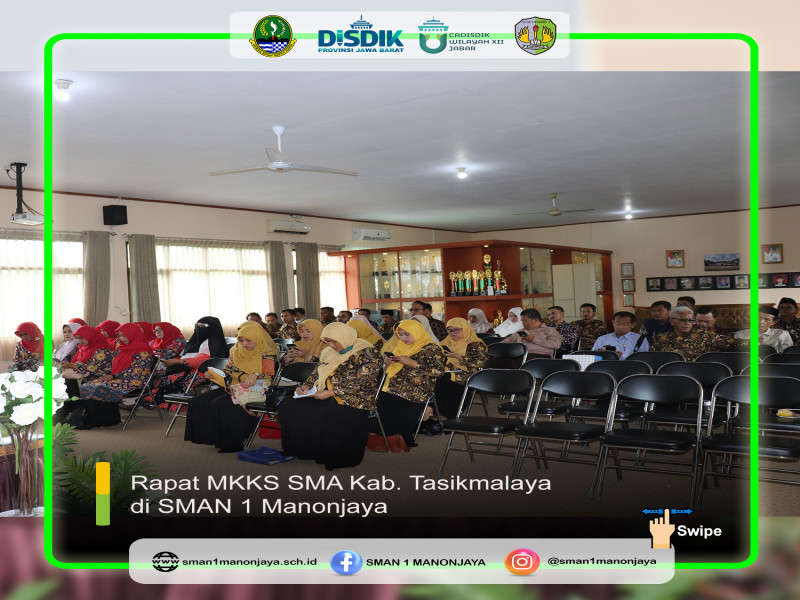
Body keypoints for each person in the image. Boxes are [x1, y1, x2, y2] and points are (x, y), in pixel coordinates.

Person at [278, 322, 383, 470]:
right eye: (327, 341)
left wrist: (332, 392)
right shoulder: (328, 351)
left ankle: (339, 457)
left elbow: (364, 380)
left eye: (334, 341)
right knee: (289, 406)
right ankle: (305, 450)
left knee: (330, 409)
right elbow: (317, 372)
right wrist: (306, 386)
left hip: (357, 397)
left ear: (345, 337)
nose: (331, 345)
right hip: (325, 392)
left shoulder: (368, 352)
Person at [184, 321, 278, 453]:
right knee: (197, 401)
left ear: (257, 338)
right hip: (234, 386)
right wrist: (213, 375)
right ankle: (211, 438)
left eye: (249, 340)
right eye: (241, 340)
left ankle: (234, 442)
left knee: (222, 404)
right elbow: (227, 371)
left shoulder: (267, 354)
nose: (244, 344)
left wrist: (256, 375)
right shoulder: (235, 351)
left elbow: (269, 376)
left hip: (258, 388)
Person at [372, 319, 446, 447]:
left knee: (398, 402)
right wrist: (387, 364)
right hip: (393, 385)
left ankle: (401, 436)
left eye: (407, 334)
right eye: (400, 335)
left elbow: (438, 371)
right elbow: (388, 370)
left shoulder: (431, 348)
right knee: (382, 400)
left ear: (417, 332)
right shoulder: (401, 346)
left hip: (416, 388)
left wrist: (411, 362)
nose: (403, 338)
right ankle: (389, 435)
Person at [79, 323, 155, 427]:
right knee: (88, 385)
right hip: (118, 378)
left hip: (136, 380)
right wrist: (105, 373)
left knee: (99, 387)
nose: (122, 339)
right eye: (120, 336)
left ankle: (108, 420)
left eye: (125, 335)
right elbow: (113, 365)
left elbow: (134, 371)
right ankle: (92, 419)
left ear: (133, 334)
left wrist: (113, 377)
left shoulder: (144, 352)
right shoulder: (122, 348)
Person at [434, 317, 489, 420]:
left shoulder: (476, 344)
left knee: (443, 379)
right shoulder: (445, 342)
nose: (452, 333)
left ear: (465, 329)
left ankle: (449, 414)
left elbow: (480, 363)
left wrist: (459, 357)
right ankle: (432, 411)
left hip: (467, 372)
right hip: (447, 371)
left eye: (456, 330)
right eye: (450, 330)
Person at [58, 326, 114, 404]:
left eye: (81, 338)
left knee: (69, 384)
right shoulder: (83, 347)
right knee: (62, 382)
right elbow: (77, 362)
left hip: (100, 375)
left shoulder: (102, 349)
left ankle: (76, 407)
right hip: (85, 373)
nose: (79, 341)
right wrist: (66, 365)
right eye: (77, 338)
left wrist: (71, 366)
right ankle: (71, 408)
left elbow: (92, 368)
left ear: (90, 336)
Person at [651, 306, 717, 361]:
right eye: (683, 320)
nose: (687, 323)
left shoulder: (706, 336)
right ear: (671, 321)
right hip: (669, 371)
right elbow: (652, 359)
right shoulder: (660, 338)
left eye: (690, 320)